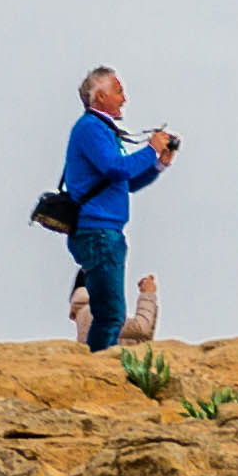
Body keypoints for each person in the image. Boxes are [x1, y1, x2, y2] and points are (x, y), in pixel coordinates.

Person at [57, 68, 181, 353]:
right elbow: (116, 168)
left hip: (104, 230)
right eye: (119, 91)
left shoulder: (100, 129)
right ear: (100, 96)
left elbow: (125, 181)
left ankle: (97, 364)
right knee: (111, 314)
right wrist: (150, 149)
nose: (124, 99)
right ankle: (97, 369)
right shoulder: (91, 127)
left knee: (109, 312)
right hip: (98, 231)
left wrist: (159, 163)